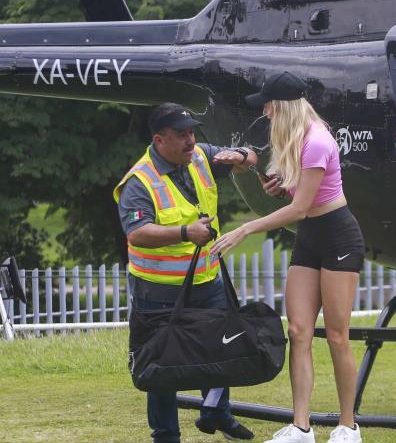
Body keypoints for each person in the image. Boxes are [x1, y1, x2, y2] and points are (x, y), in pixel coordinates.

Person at [211, 72, 365, 443]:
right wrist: (278, 186)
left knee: (337, 336)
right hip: (311, 237)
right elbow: (298, 200)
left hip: (338, 236)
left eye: (267, 104)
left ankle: (349, 426)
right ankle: (301, 427)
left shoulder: (316, 141)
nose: (263, 111)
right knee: (297, 331)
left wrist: (246, 228)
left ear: (281, 106)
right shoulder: (292, 139)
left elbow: (299, 209)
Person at [113, 102, 258, 443]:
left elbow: (252, 157)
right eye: (182, 135)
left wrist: (239, 156)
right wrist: (184, 233)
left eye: (192, 132)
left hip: (208, 280)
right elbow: (136, 234)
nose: (191, 140)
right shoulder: (139, 181)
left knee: (222, 347)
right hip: (158, 289)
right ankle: (165, 435)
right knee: (163, 364)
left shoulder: (200, 156)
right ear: (159, 140)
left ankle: (217, 413)